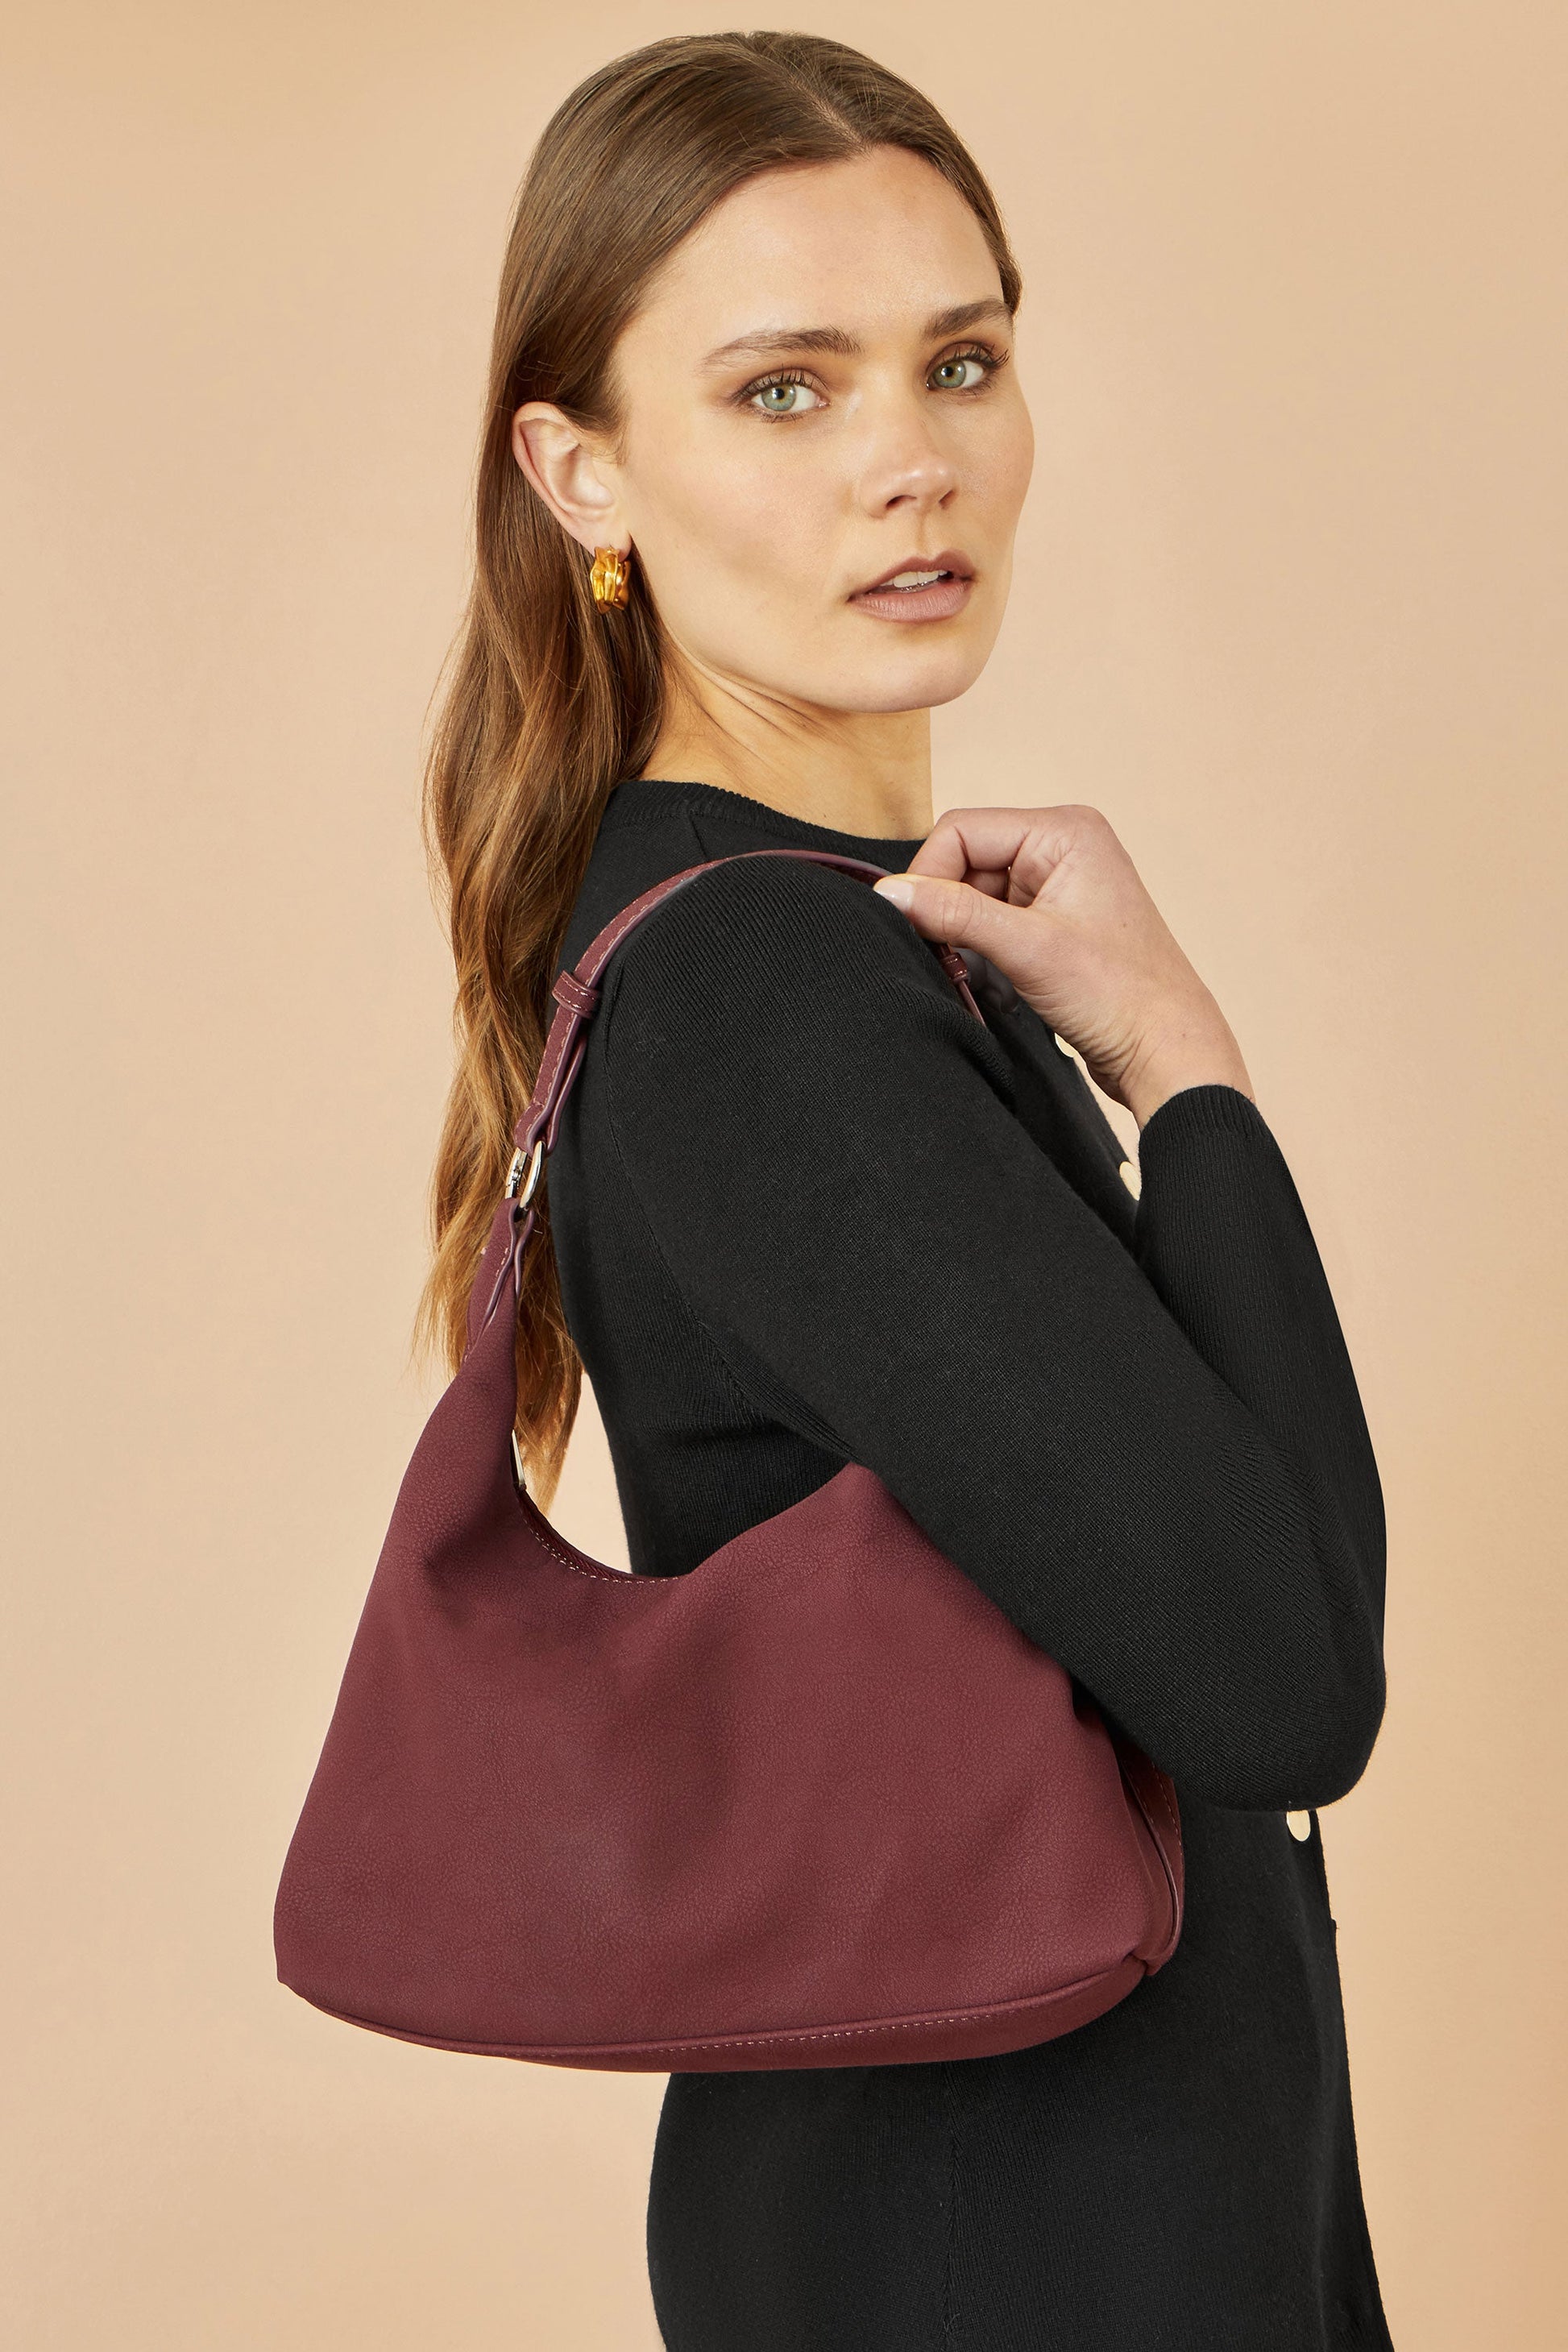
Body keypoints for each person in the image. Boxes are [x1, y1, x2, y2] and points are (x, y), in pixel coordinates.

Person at [417, 31, 1392, 2351]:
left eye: (958, 360)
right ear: (581, 472)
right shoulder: (763, 992)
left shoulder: (824, 949)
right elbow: (1284, 1685)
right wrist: (1186, 1067)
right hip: (1001, 2241)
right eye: (784, 390)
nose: (909, 461)